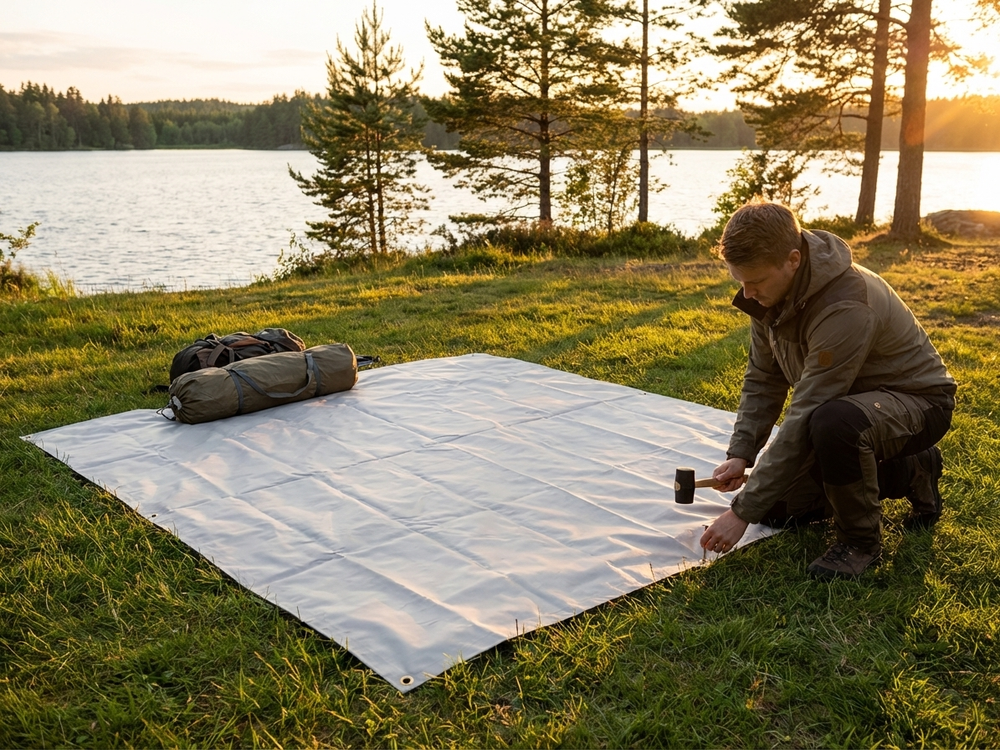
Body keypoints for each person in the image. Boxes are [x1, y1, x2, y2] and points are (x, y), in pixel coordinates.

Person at [699, 200, 957, 579]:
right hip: (848, 405)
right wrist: (741, 453)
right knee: (776, 507)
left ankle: (859, 543)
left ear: (792, 260)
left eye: (755, 282)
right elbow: (763, 378)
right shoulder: (768, 295)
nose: (747, 293)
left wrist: (740, 513)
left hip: (918, 404)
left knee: (832, 423)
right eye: (741, 282)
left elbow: (808, 410)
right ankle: (908, 471)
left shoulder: (846, 303)